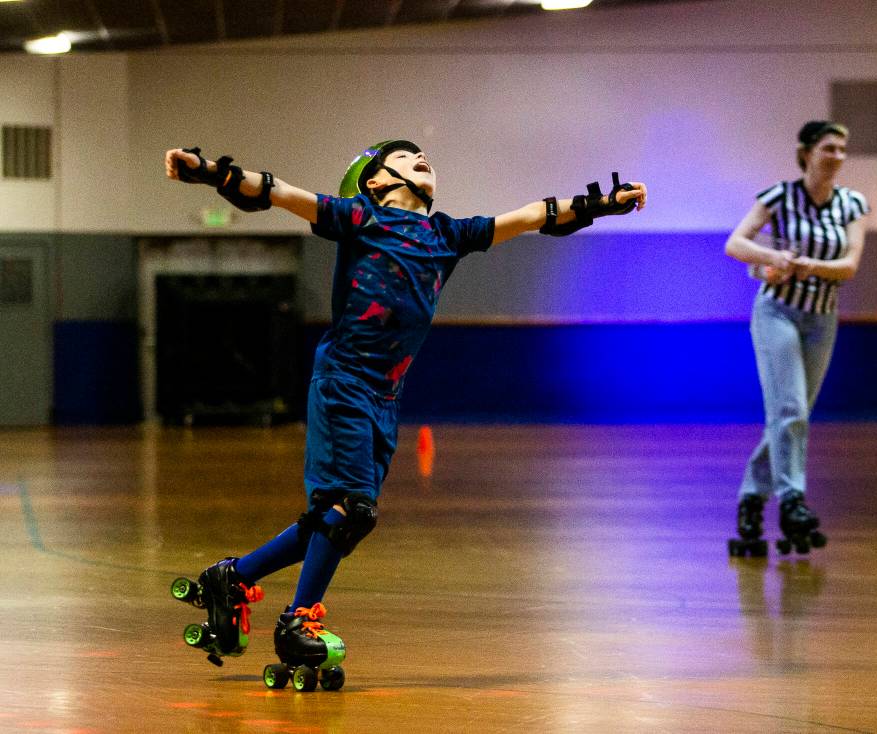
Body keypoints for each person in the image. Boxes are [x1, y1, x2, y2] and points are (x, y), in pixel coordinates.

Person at [165, 140, 647, 689]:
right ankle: (297, 620)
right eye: (403, 156)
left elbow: (534, 216)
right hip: (344, 380)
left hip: (384, 396)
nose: (421, 157)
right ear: (373, 182)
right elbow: (277, 192)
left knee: (339, 517)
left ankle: (234, 576)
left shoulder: (448, 234)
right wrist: (208, 173)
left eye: (422, 155)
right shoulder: (357, 217)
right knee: (347, 508)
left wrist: (603, 204)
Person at [724, 121, 868, 557]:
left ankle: (752, 496)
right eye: (829, 148)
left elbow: (849, 266)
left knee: (795, 414)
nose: (837, 156)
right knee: (788, 410)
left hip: (822, 318)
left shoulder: (852, 203)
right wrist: (773, 257)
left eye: (843, 149)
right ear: (806, 152)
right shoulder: (779, 196)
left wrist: (808, 265)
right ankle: (792, 502)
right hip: (777, 313)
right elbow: (736, 244)